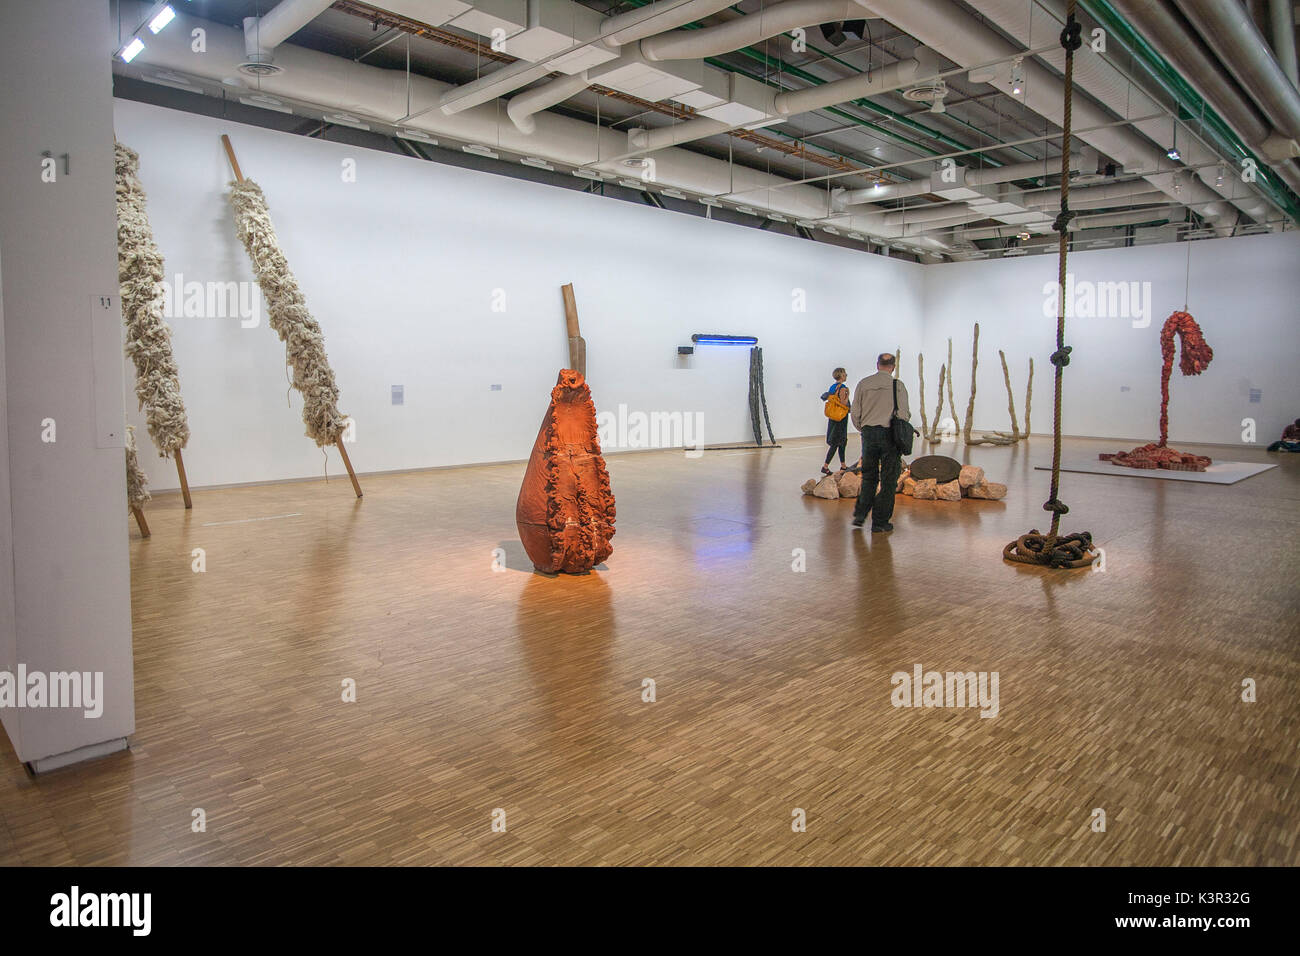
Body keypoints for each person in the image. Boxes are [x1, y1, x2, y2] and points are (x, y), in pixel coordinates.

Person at [849, 353, 910, 532]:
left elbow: (855, 412)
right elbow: (904, 414)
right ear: (893, 366)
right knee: (889, 480)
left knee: (869, 476)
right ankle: (880, 522)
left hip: (868, 434)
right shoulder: (897, 386)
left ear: (877, 365)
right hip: (889, 435)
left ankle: (860, 515)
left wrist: (864, 428)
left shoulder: (864, 383)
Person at [820, 368, 851, 474]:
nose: (846, 375)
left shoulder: (832, 387)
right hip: (841, 418)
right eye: (845, 374)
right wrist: (848, 395)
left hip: (833, 417)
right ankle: (825, 466)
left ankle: (843, 465)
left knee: (841, 441)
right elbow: (843, 403)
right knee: (837, 442)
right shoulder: (842, 388)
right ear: (841, 375)